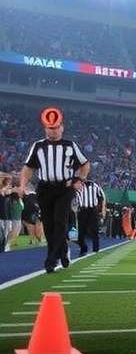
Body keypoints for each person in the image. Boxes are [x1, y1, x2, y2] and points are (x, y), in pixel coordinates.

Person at [17, 107, 90, 273]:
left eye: (56, 127)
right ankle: (63, 251)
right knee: (49, 225)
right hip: (44, 188)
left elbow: (85, 164)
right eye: (50, 128)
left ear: (62, 127)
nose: (54, 131)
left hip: (65, 188)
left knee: (60, 221)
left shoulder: (70, 146)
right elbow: (28, 167)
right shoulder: (38, 146)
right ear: (45, 129)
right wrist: (22, 185)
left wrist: (80, 179)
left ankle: (51, 258)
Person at [75, 178, 106, 255]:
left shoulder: (95, 186)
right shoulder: (79, 186)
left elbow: (102, 198)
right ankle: (83, 247)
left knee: (94, 229)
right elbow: (75, 197)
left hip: (93, 210)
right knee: (81, 230)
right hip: (82, 210)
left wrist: (101, 210)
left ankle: (96, 248)